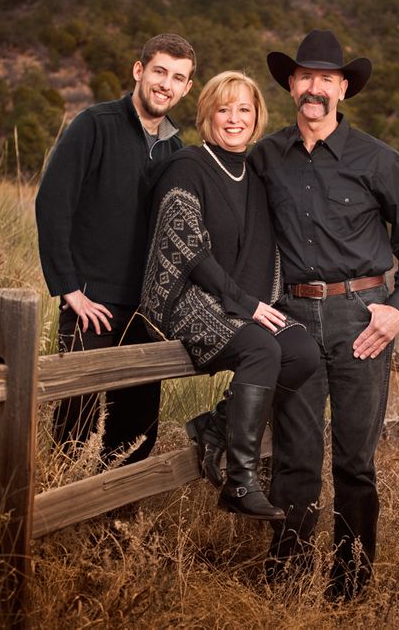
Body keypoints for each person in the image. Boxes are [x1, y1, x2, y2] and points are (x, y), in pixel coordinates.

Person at [248, 29, 399, 600]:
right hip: (294, 319)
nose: (314, 88)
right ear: (291, 86)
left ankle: (350, 587)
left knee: (355, 461)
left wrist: (397, 309)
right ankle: (286, 579)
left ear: (343, 89)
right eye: (304, 76)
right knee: (295, 459)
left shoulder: (378, 160)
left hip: (363, 321)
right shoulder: (265, 158)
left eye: (326, 78)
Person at [139, 71, 320, 520]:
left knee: (300, 351)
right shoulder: (188, 166)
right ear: (207, 115)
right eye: (224, 109)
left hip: (239, 303)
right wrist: (245, 305)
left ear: (257, 116)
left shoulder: (257, 174)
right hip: (186, 296)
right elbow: (187, 250)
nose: (234, 118)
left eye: (244, 109)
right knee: (261, 347)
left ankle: (214, 429)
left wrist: (255, 303)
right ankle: (240, 483)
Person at [35, 34, 196, 466]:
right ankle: (58, 512)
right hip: (93, 306)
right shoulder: (94, 124)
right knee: (76, 423)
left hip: (146, 314)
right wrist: (69, 288)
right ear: (138, 71)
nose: (166, 84)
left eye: (178, 77)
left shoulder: (176, 151)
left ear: (187, 88)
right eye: (159, 71)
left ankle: (117, 527)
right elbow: (52, 203)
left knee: (136, 432)